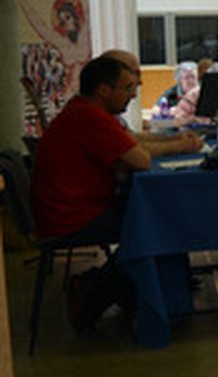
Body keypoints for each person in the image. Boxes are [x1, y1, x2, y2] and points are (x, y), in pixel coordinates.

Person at [31, 56, 203, 330]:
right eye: (126, 88)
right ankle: (103, 289)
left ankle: (120, 291)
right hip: (73, 218)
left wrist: (174, 140)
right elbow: (141, 159)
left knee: (156, 217)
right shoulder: (89, 117)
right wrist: (178, 147)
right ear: (104, 90)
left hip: (71, 210)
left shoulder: (85, 110)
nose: (133, 95)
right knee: (161, 224)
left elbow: (131, 142)